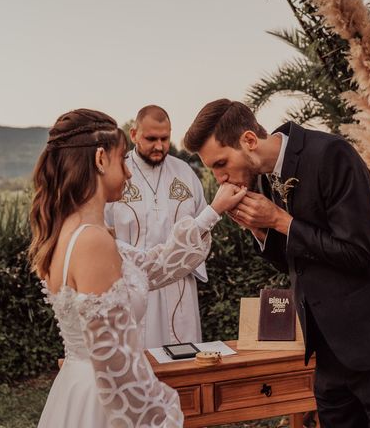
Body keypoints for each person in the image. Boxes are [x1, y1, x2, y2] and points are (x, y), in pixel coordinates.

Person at [184, 99, 370, 428]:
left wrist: (281, 221)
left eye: (220, 163)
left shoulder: (332, 155)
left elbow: (359, 254)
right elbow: (294, 262)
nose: (219, 178)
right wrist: (260, 230)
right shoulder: (259, 179)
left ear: (248, 141)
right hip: (328, 352)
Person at [30, 108, 245, 428]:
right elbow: (115, 366)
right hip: (105, 405)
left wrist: (211, 213)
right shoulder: (93, 242)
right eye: (121, 161)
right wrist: (163, 416)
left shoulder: (69, 232)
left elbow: (156, 264)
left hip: (79, 391)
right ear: (101, 159)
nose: (129, 173)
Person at [105, 105, 208, 348]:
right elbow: (103, 232)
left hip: (180, 285)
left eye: (165, 138)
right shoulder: (117, 174)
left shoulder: (184, 173)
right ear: (133, 135)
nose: (159, 146)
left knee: (184, 359)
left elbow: (203, 229)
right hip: (132, 286)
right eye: (151, 138)